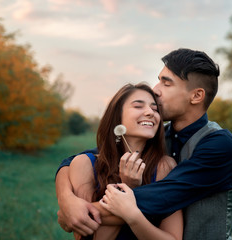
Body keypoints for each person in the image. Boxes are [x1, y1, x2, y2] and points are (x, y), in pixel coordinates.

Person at [56, 48, 232, 239]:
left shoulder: (219, 145)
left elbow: (156, 199)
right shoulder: (157, 136)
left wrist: (79, 213)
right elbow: (86, 157)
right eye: (159, 80)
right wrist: (66, 199)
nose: (155, 90)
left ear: (196, 96)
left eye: (167, 83)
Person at [64, 83, 183, 239]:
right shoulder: (84, 164)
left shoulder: (165, 167)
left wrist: (131, 213)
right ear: (117, 116)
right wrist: (127, 187)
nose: (149, 112)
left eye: (155, 109)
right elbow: (84, 235)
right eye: (138, 106)